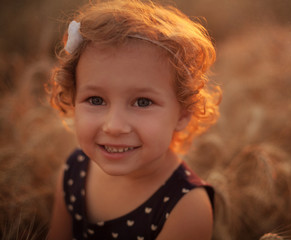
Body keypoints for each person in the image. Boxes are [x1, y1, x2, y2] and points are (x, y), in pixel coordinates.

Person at [47, 0, 221, 239]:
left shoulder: (186, 206)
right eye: (96, 100)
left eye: (142, 102)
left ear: (182, 114)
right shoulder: (74, 170)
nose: (114, 126)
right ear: (73, 98)